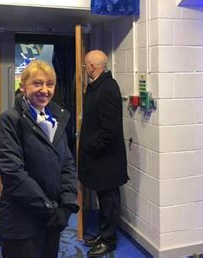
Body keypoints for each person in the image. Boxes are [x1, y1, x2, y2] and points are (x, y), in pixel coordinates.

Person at [0, 60, 78, 258]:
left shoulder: (57, 118)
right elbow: (13, 174)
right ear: (22, 86)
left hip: (53, 220)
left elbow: (68, 164)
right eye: (37, 83)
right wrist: (49, 209)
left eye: (50, 84)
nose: (44, 90)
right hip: (21, 223)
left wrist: (66, 205)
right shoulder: (9, 121)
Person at [78, 50, 128, 256]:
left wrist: (89, 146)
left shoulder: (107, 88)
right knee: (104, 199)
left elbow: (109, 129)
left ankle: (109, 240)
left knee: (109, 201)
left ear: (92, 67)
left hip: (107, 159)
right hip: (102, 159)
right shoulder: (99, 86)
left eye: (85, 66)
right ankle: (103, 233)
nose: (85, 70)